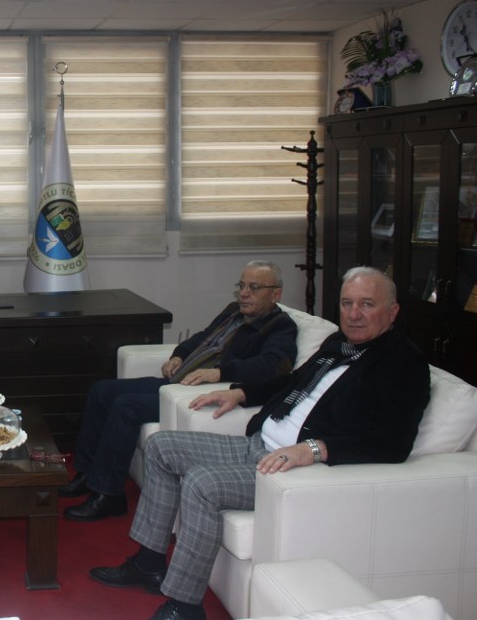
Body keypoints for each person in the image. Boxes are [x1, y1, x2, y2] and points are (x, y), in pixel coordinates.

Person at [88, 267, 430, 620]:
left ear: (392, 311)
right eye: (347, 303)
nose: (354, 314)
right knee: (162, 447)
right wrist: (241, 393)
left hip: (291, 469)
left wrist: (314, 449)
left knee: (202, 483)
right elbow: (292, 382)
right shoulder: (337, 345)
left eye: (367, 304)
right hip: (258, 444)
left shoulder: (403, 363)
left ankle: (184, 606)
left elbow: (393, 443)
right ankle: (148, 564)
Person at [61, 260, 298, 523]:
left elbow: (273, 366)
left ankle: (108, 495)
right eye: (241, 286)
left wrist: (220, 373)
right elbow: (203, 337)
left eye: (253, 288)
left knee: (126, 406)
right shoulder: (234, 311)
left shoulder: (280, 326)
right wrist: (178, 355)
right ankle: (87, 473)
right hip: (178, 382)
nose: (244, 293)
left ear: (275, 294)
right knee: (102, 391)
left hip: (199, 393)